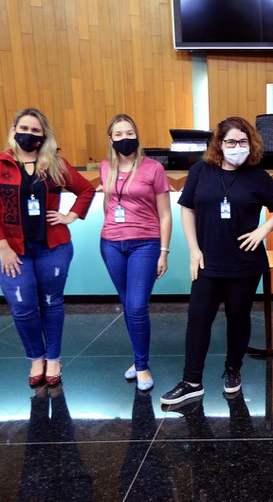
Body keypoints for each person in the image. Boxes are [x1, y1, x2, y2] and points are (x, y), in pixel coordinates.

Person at [160, 117, 273, 405]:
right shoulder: (200, 171)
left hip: (244, 263)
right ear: (219, 143)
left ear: (251, 144)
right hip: (207, 260)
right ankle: (191, 381)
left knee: (238, 318)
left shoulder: (257, 176)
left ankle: (233, 370)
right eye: (231, 141)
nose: (237, 147)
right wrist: (194, 250)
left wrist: (263, 231)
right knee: (198, 319)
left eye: (243, 141)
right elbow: (187, 209)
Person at [0, 108, 95, 387]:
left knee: (52, 303)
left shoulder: (55, 164)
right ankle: (36, 357)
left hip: (53, 248)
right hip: (12, 250)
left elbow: (86, 190)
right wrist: (2, 246)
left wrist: (70, 216)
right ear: (14, 130)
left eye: (35, 130)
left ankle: (53, 358)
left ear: (44, 135)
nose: (29, 135)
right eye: (24, 129)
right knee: (22, 306)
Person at [99, 114, 171, 391]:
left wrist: (163, 251)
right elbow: (109, 204)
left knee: (138, 305)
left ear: (137, 136)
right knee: (128, 305)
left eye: (129, 132)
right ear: (110, 139)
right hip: (111, 244)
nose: (124, 138)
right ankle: (139, 359)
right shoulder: (106, 167)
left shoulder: (153, 168)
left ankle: (142, 366)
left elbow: (165, 215)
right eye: (118, 134)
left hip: (145, 244)